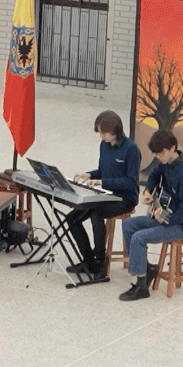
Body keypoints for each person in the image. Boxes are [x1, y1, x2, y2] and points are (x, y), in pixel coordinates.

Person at [119, 129, 183, 302]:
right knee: (128, 225)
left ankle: (141, 287)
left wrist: (163, 219)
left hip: (182, 225)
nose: (159, 157)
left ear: (173, 148)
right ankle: (147, 269)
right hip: (165, 217)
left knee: (139, 237)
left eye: (161, 153)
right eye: (156, 154)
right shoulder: (165, 163)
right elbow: (155, 174)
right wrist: (148, 190)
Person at [64, 110, 141, 278]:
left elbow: (131, 181)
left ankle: (100, 263)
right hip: (105, 193)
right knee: (72, 218)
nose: (101, 136)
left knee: (96, 214)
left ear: (114, 130)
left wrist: (102, 182)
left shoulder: (131, 150)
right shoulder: (104, 145)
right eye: (99, 132)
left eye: (103, 132)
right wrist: (90, 175)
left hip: (124, 197)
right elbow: (103, 171)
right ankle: (88, 261)